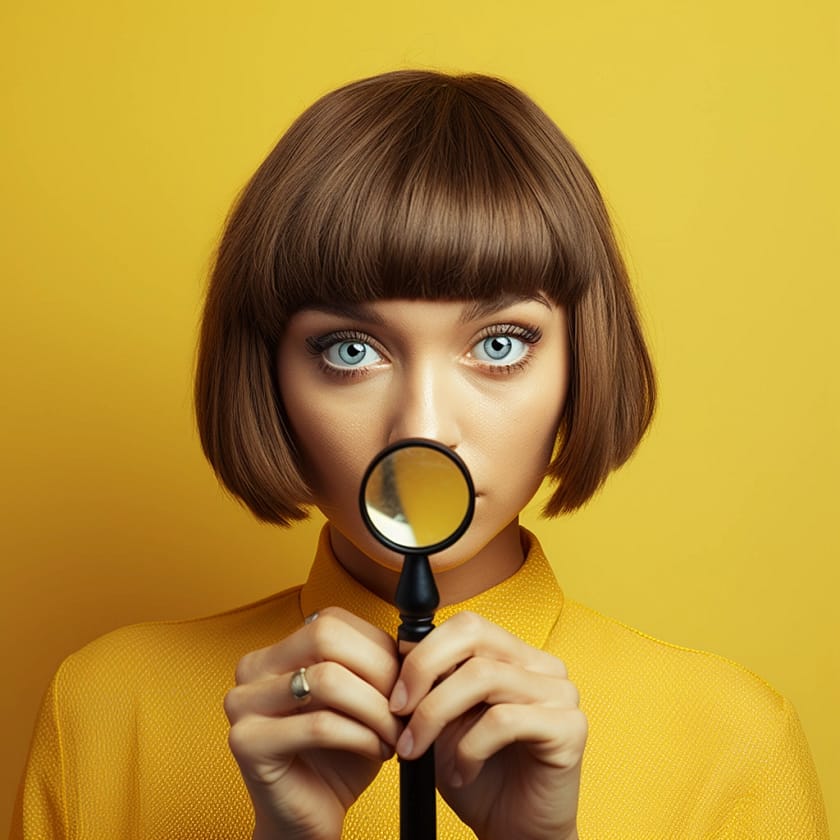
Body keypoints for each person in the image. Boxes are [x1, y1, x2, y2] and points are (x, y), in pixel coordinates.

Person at [10, 70, 828, 840]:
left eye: (500, 343)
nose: (423, 427)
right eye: (351, 351)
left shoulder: (732, 737)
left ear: (584, 360)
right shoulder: (108, 709)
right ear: (267, 373)